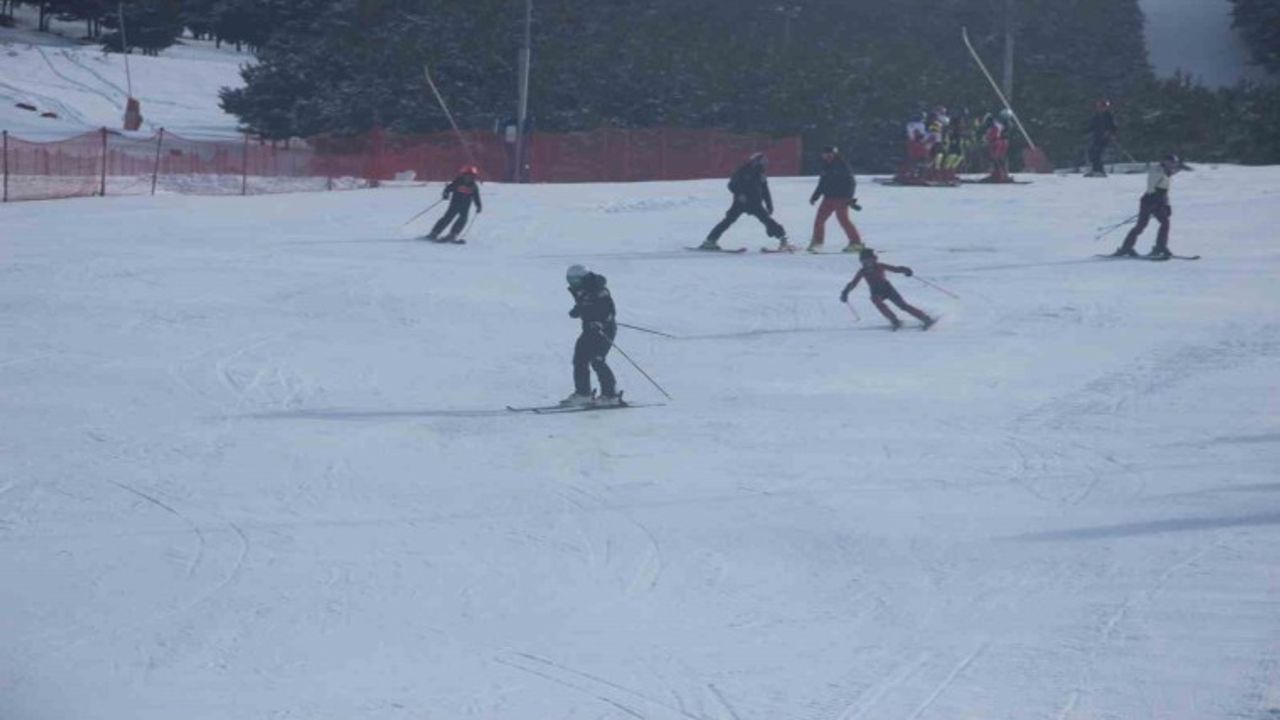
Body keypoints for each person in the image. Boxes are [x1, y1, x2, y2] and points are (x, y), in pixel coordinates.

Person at [700, 152, 792, 251]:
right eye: (762, 162)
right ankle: (710, 241)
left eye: (765, 162)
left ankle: (783, 240)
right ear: (755, 161)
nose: (764, 164)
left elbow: (765, 190)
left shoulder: (761, 174)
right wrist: (740, 194)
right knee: (728, 220)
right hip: (740, 203)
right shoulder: (743, 170)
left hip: (755, 203)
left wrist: (769, 205)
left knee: (767, 220)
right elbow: (731, 185)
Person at [1111, 153, 1192, 259]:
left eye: (1174, 163)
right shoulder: (1157, 171)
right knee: (1141, 226)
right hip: (1149, 200)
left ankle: (1160, 247)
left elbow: (1165, 191)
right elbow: (1151, 187)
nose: (1173, 165)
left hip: (1159, 201)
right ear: (1165, 161)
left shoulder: (1167, 173)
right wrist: (1154, 204)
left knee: (1165, 223)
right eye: (1172, 162)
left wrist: (1167, 205)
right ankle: (1126, 248)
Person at [561, 264, 621, 407]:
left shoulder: (599, 290)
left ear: (584, 278)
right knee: (580, 359)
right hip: (589, 329)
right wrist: (578, 310)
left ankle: (610, 395)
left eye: (575, 281)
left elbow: (609, 311)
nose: (573, 284)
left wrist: (601, 322)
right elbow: (585, 303)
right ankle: (583, 394)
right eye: (570, 281)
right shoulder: (583, 289)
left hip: (603, 330)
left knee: (597, 360)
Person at [840, 248, 935, 330]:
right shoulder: (862, 271)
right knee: (876, 301)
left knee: (902, 306)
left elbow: (895, 269)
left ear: (874, 259)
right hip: (875, 291)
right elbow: (853, 283)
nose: (867, 263)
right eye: (864, 261)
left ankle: (925, 318)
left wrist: (905, 270)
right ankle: (894, 320)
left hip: (888, 289)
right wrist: (845, 292)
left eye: (869, 260)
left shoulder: (880, 266)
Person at [807, 145, 864, 253]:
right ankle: (817, 242)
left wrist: (849, 198)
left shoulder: (842, 166)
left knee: (843, 220)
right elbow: (822, 184)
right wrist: (815, 197)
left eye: (830, 154)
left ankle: (856, 243)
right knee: (819, 220)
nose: (828, 156)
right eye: (826, 154)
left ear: (835, 154)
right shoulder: (825, 166)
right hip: (828, 198)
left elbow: (851, 183)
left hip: (841, 199)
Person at [425, 166, 482, 242]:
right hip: (455, 204)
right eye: (466, 176)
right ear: (463, 176)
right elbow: (448, 188)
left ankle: (453, 234)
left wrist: (478, 206)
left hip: (465, 206)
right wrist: (446, 194)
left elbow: (476, 197)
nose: (468, 178)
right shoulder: (457, 182)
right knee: (447, 218)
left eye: (470, 176)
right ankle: (434, 233)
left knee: (463, 219)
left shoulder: (474, 187)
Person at [1085, 99, 1118, 178]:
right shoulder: (1096, 116)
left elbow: (1113, 127)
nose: (1099, 108)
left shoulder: (1108, 116)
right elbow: (1091, 126)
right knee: (1092, 152)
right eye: (1098, 107)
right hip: (1096, 137)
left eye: (1100, 107)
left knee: (1098, 153)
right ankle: (1095, 170)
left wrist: (1110, 132)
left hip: (1105, 138)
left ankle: (1100, 171)